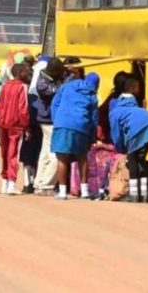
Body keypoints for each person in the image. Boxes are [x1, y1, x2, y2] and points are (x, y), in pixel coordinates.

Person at [50, 72, 100, 200]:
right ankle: (84, 191)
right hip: (81, 126)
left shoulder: (67, 86)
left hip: (62, 123)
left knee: (62, 158)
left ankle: (62, 192)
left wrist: (57, 120)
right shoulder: (92, 95)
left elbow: (55, 104)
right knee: (82, 158)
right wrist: (92, 137)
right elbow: (94, 118)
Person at [109, 77, 148, 203]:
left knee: (132, 160)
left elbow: (116, 133)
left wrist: (120, 148)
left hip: (138, 130)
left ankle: (133, 194)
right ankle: (144, 194)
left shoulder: (115, 111)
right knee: (141, 160)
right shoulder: (135, 108)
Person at [0, 64, 31, 195]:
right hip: (16, 126)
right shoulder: (22, 87)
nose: (27, 73)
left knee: (5, 153)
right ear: (20, 72)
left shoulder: (5, 86)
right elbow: (23, 109)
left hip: (3, 124)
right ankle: (11, 183)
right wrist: (26, 127)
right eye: (25, 71)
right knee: (13, 154)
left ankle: (4, 182)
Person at [31, 58, 65, 196]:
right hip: (48, 120)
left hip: (47, 120)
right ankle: (46, 185)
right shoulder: (43, 82)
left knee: (45, 153)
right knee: (56, 154)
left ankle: (39, 183)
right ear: (54, 70)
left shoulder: (48, 77)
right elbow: (56, 91)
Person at [20, 55, 50, 193]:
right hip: (39, 125)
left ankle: (28, 183)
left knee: (28, 151)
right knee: (38, 151)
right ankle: (35, 180)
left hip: (28, 126)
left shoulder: (28, 90)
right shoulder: (47, 90)